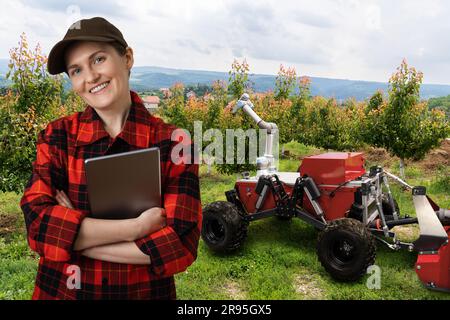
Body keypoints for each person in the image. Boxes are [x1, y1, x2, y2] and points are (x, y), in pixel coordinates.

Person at [20, 17, 201, 300]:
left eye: (99, 59)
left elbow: (178, 246)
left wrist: (74, 239)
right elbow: (38, 226)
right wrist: (137, 228)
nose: (90, 77)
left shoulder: (175, 143)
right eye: (76, 70)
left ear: (127, 58)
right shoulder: (57, 137)